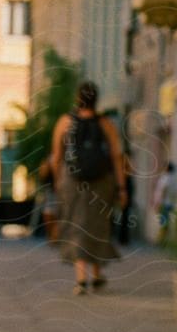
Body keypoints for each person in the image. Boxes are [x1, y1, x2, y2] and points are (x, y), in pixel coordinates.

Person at [50, 81, 128, 295]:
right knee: (97, 226)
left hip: (72, 180)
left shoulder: (65, 122)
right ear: (96, 99)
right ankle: (97, 274)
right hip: (101, 181)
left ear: (78, 98)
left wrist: (58, 181)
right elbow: (116, 156)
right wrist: (122, 188)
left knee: (76, 225)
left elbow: (56, 156)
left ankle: (81, 278)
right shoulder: (105, 124)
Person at [154, 161, 177, 240]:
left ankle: (161, 239)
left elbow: (164, 189)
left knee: (163, 221)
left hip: (164, 202)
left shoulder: (166, 178)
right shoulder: (174, 178)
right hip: (170, 203)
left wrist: (159, 201)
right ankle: (164, 239)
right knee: (166, 221)